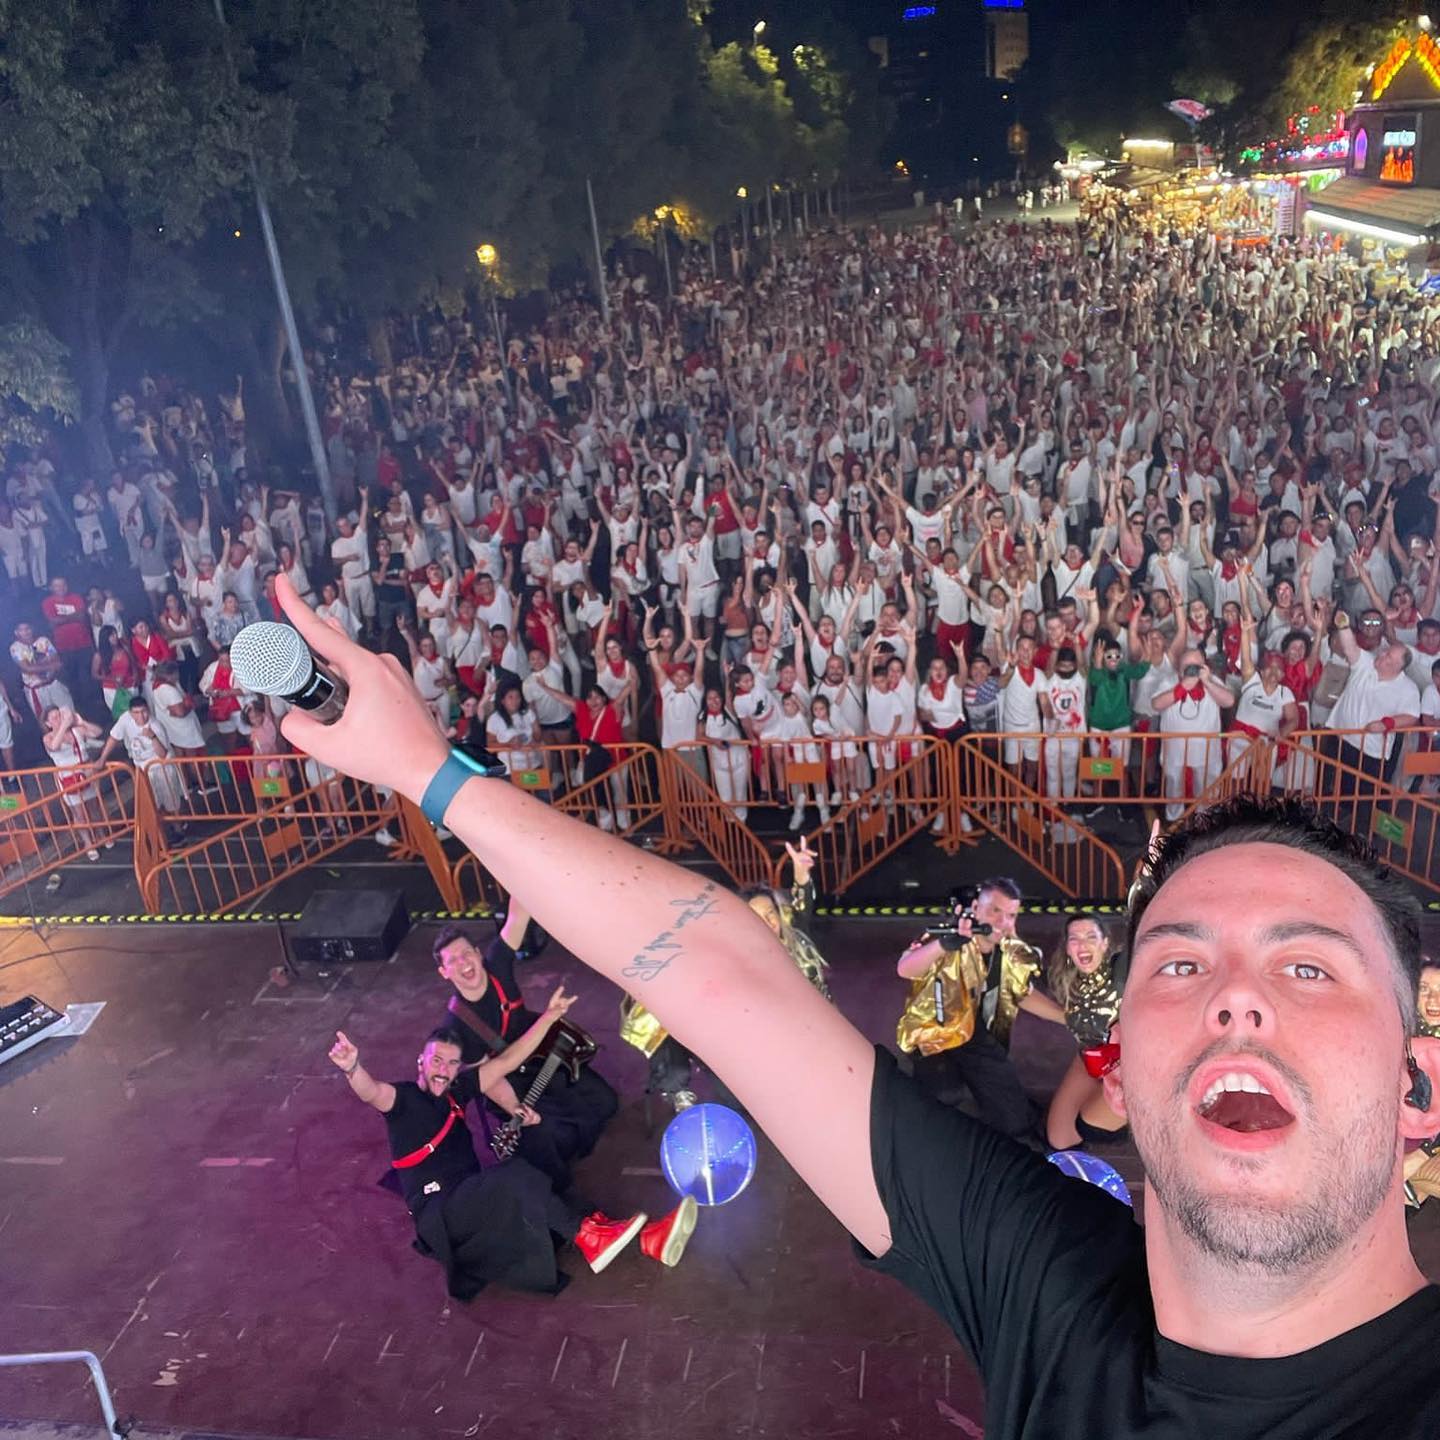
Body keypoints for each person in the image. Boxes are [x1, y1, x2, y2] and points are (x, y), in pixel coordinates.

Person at [275, 568, 1440, 1437]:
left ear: (1419, 1086)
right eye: (1179, 964)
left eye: (1307, 966)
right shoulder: (1045, 1282)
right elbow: (721, 972)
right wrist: (435, 775)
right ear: (1119, 1068)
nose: (1235, 999)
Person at [327, 1016, 696, 1300]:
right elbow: (371, 1092)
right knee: (515, 1176)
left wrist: (550, 1017)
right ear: (420, 1062)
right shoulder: (404, 1100)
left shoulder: (457, 1089)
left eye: (452, 1063)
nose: (443, 1069)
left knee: (537, 1168)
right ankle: (589, 1237)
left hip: (471, 1197)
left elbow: (508, 1061)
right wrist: (352, 1068)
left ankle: (646, 1239)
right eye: (436, 1060)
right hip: (441, 1214)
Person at [434, 899, 619, 1193]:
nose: (463, 963)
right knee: (549, 1136)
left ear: (479, 955)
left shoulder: (498, 965)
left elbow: (518, 916)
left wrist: (521, 865)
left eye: (466, 953)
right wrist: (516, 1108)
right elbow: (488, 1078)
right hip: (508, 1080)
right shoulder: (455, 1027)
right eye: (452, 960)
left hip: (541, 1053)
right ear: (444, 972)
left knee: (606, 1103)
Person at [894, 878, 1065, 1140]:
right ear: (975, 907)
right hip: (935, 1036)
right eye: (994, 910)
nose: (1001, 921)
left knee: (1015, 1120)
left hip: (980, 1039)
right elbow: (906, 968)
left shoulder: (1008, 953)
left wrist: (1068, 1018)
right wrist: (943, 945)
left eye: (1010, 915)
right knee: (942, 1104)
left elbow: (1022, 993)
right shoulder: (947, 936)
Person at [1042, 914, 1128, 1151]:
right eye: (1075, 939)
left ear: (1105, 943)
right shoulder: (1067, 981)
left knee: (1091, 1125)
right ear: (1067, 948)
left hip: (1129, 1062)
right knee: (1060, 1138)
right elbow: (1022, 993)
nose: (1083, 945)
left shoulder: (1122, 971)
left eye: (1091, 936)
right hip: (1092, 1058)